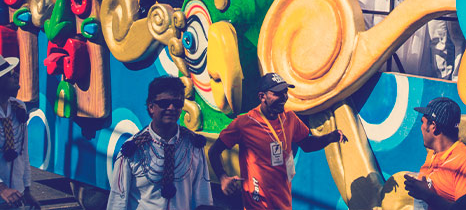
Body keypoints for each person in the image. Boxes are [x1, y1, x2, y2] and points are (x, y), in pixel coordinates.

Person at [208, 73, 347, 210]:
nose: (284, 97)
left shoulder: (289, 118)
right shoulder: (244, 124)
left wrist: (330, 137)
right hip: (257, 203)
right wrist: (223, 177)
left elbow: (306, 144)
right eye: (278, 93)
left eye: (285, 92)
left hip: (283, 201)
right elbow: (214, 151)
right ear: (262, 97)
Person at [107, 76, 211, 210]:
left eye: (177, 103)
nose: (171, 108)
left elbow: (203, 195)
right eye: (164, 103)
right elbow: (118, 200)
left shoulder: (194, 145)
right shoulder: (132, 149)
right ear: (151, 107)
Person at [403, 97, 466, 209]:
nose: (421, 127)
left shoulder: (464, 161)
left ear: (433, 127)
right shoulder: (433, 153)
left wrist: (429, 196)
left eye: (423, 122)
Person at [0, 56, 40, 209]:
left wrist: (27, 190)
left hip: (16, 196)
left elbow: (23, 153)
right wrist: (2, 189)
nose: (16, 75)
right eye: (10, 74)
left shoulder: (19, 108)